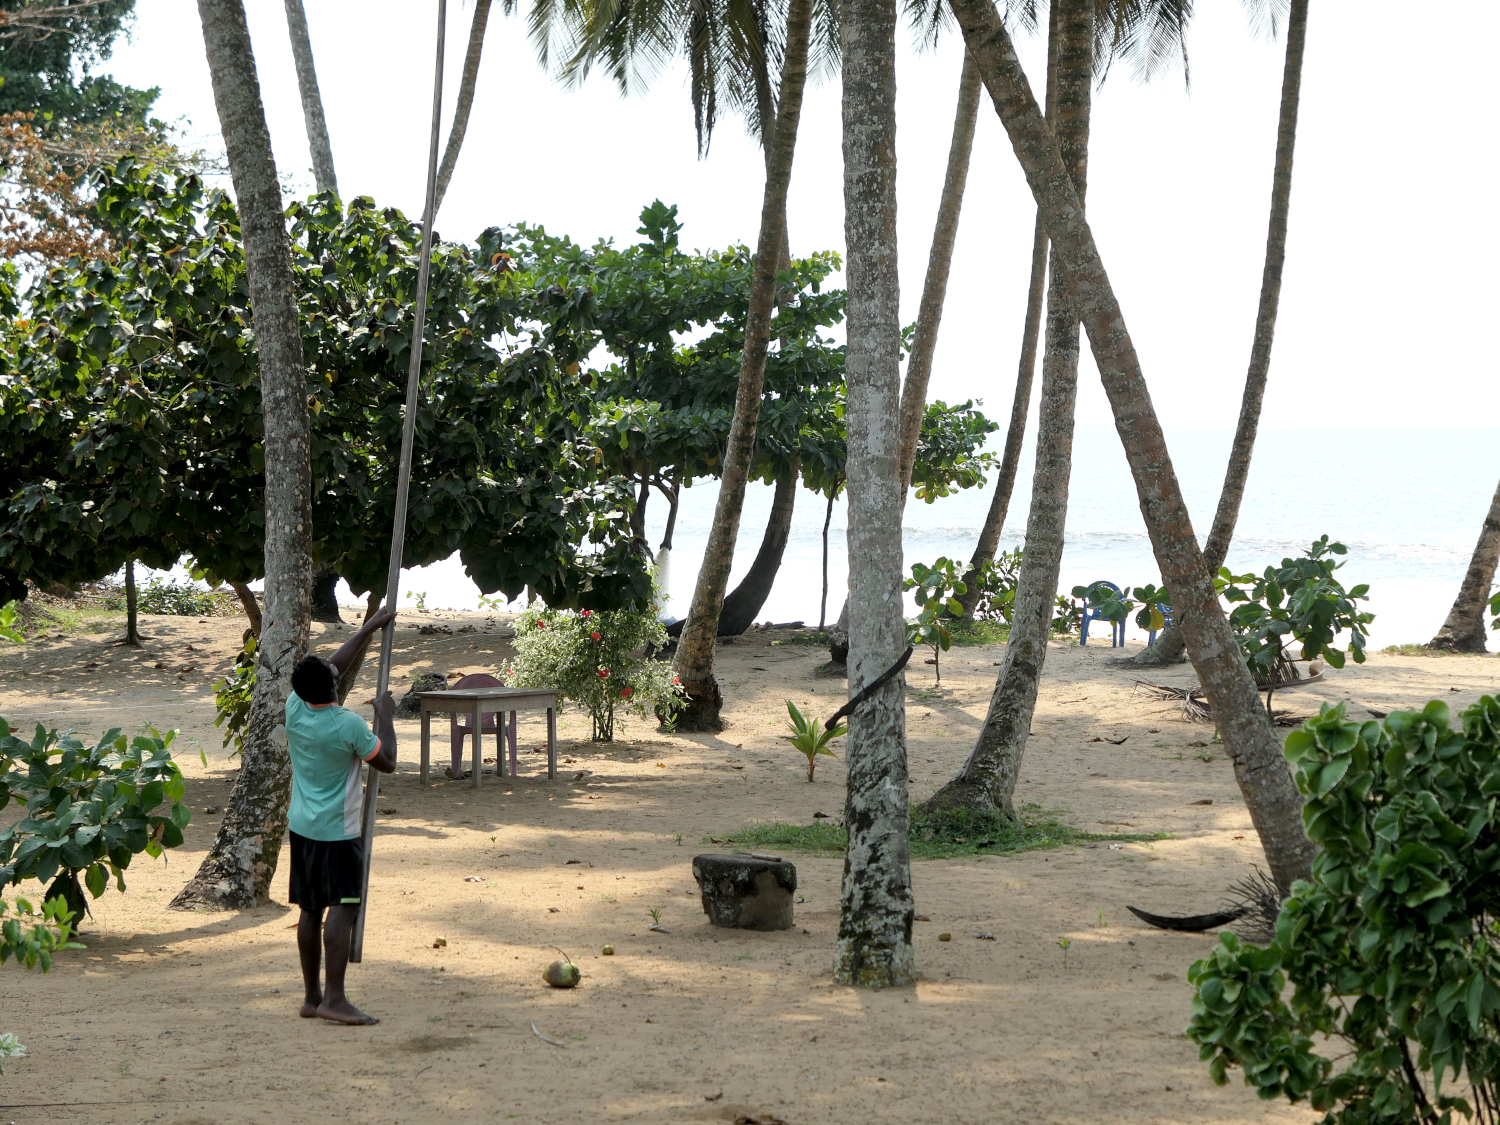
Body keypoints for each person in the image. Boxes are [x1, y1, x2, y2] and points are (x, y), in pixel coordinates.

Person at [285, 607, 398, 1025]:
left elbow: (335, 664)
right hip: (340, 830)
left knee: (310, 909)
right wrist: (385, 714)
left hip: (303, 826)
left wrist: (369, 628)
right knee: (344, 908)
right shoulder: (346, 724)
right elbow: (385, 760)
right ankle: (335, 999)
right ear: (333, 688)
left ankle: (312, 997)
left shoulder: (294, 709)